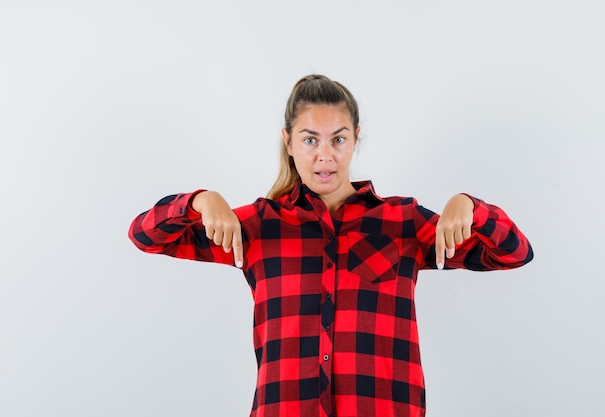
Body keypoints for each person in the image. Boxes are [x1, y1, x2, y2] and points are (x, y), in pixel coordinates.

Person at [128, 74, 533, 417]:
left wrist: (471, 208)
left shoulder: (403, 223)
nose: (325, 156)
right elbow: (145, 236)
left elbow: (514, 253)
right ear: (288, 142)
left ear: (355, 139)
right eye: (310, 140)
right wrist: (200, 200)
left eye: (338, 139)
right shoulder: (257, 226)